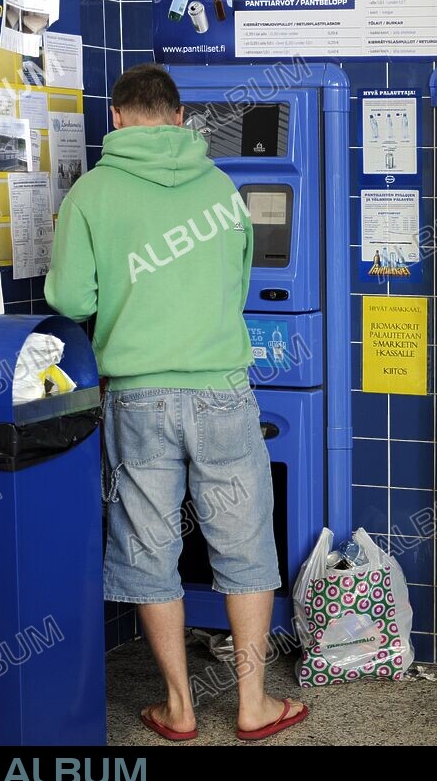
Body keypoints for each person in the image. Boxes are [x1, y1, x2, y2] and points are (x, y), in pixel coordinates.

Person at [44, 64, 307, 742]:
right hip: (222, 389)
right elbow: (239, 282)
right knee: (245, 540)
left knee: (148, 544)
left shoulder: (90, 195)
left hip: (137, 396)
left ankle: (179, 708)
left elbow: (71, 300)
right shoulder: (223, 190)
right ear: (182, 119)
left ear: (116, 116)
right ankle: (253, 703)